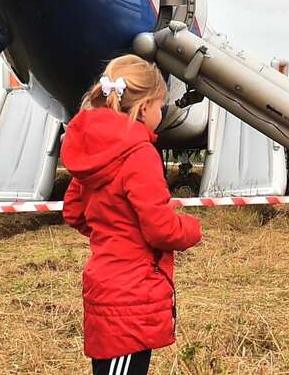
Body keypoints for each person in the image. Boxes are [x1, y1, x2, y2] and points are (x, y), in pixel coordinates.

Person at [61, 54, 203, 375]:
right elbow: (161, 229)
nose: (161, 113)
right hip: (130, 296)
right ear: (143, 108)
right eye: (159, 106)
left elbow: (74, 211)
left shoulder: (93, 151)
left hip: (106, 286)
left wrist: (113, 228)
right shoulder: (139, 153)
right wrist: (190, 228)